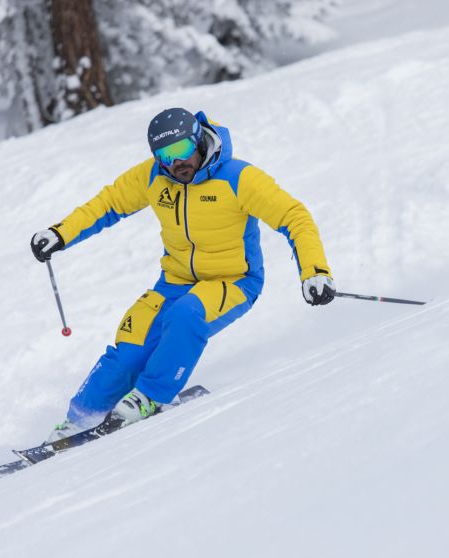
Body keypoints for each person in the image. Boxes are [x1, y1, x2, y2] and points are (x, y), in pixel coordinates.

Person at [30, 107, 334, 442]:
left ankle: (150, 396)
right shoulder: (154, 177)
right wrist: (60, 233)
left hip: (232, 281)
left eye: (181, 150)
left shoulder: (238, 178)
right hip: (174, 282)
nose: (176, 163)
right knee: (129, 349)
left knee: (186, 315)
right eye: (164, 154)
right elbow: (108, 204)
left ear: (198, 141)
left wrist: (314, 271)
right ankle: (80, 418)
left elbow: (294, 216)